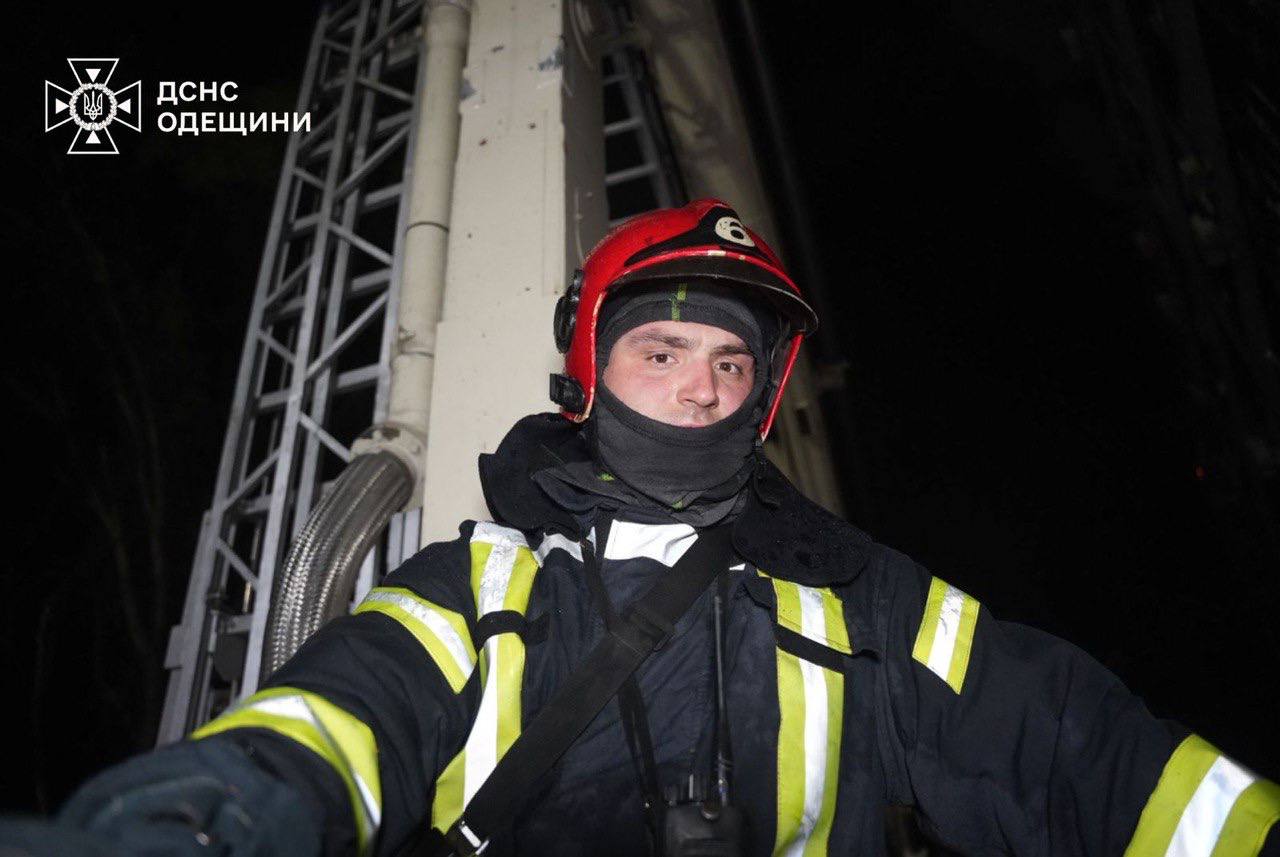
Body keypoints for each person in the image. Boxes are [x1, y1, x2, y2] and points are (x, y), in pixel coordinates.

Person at [6, 199, 1278, 857]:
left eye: (731, 363)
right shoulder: (483, 586)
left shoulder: (868, 597)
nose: (699, 390)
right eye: (661, 350)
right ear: (589, 370)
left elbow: (1082, 756)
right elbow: (323, 730)